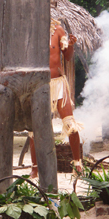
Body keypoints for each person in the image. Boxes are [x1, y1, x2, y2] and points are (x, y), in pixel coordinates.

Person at [30, 18, 84, 178]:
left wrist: (71, 45)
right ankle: (35, 167)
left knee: (70, 124)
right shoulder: (32, 30)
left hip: (59, 84)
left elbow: (67, 57)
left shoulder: (59, 30)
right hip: (39, 84)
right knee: (34, 129)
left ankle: (77, 164)